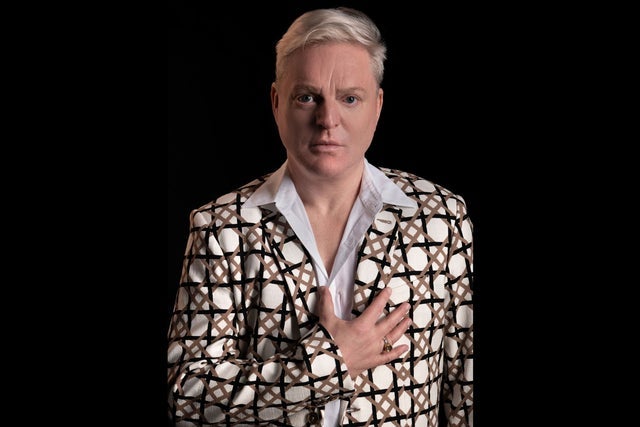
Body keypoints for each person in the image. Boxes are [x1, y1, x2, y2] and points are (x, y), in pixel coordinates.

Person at [167, 6, 473, 426]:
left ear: (377, 105)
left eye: (350, 98)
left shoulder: (441, 220)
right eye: (307, 97)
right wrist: (332, 361)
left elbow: (465, 391)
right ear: (277, 102)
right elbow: (187, 396)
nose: (328, 120)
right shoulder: (222, 228)